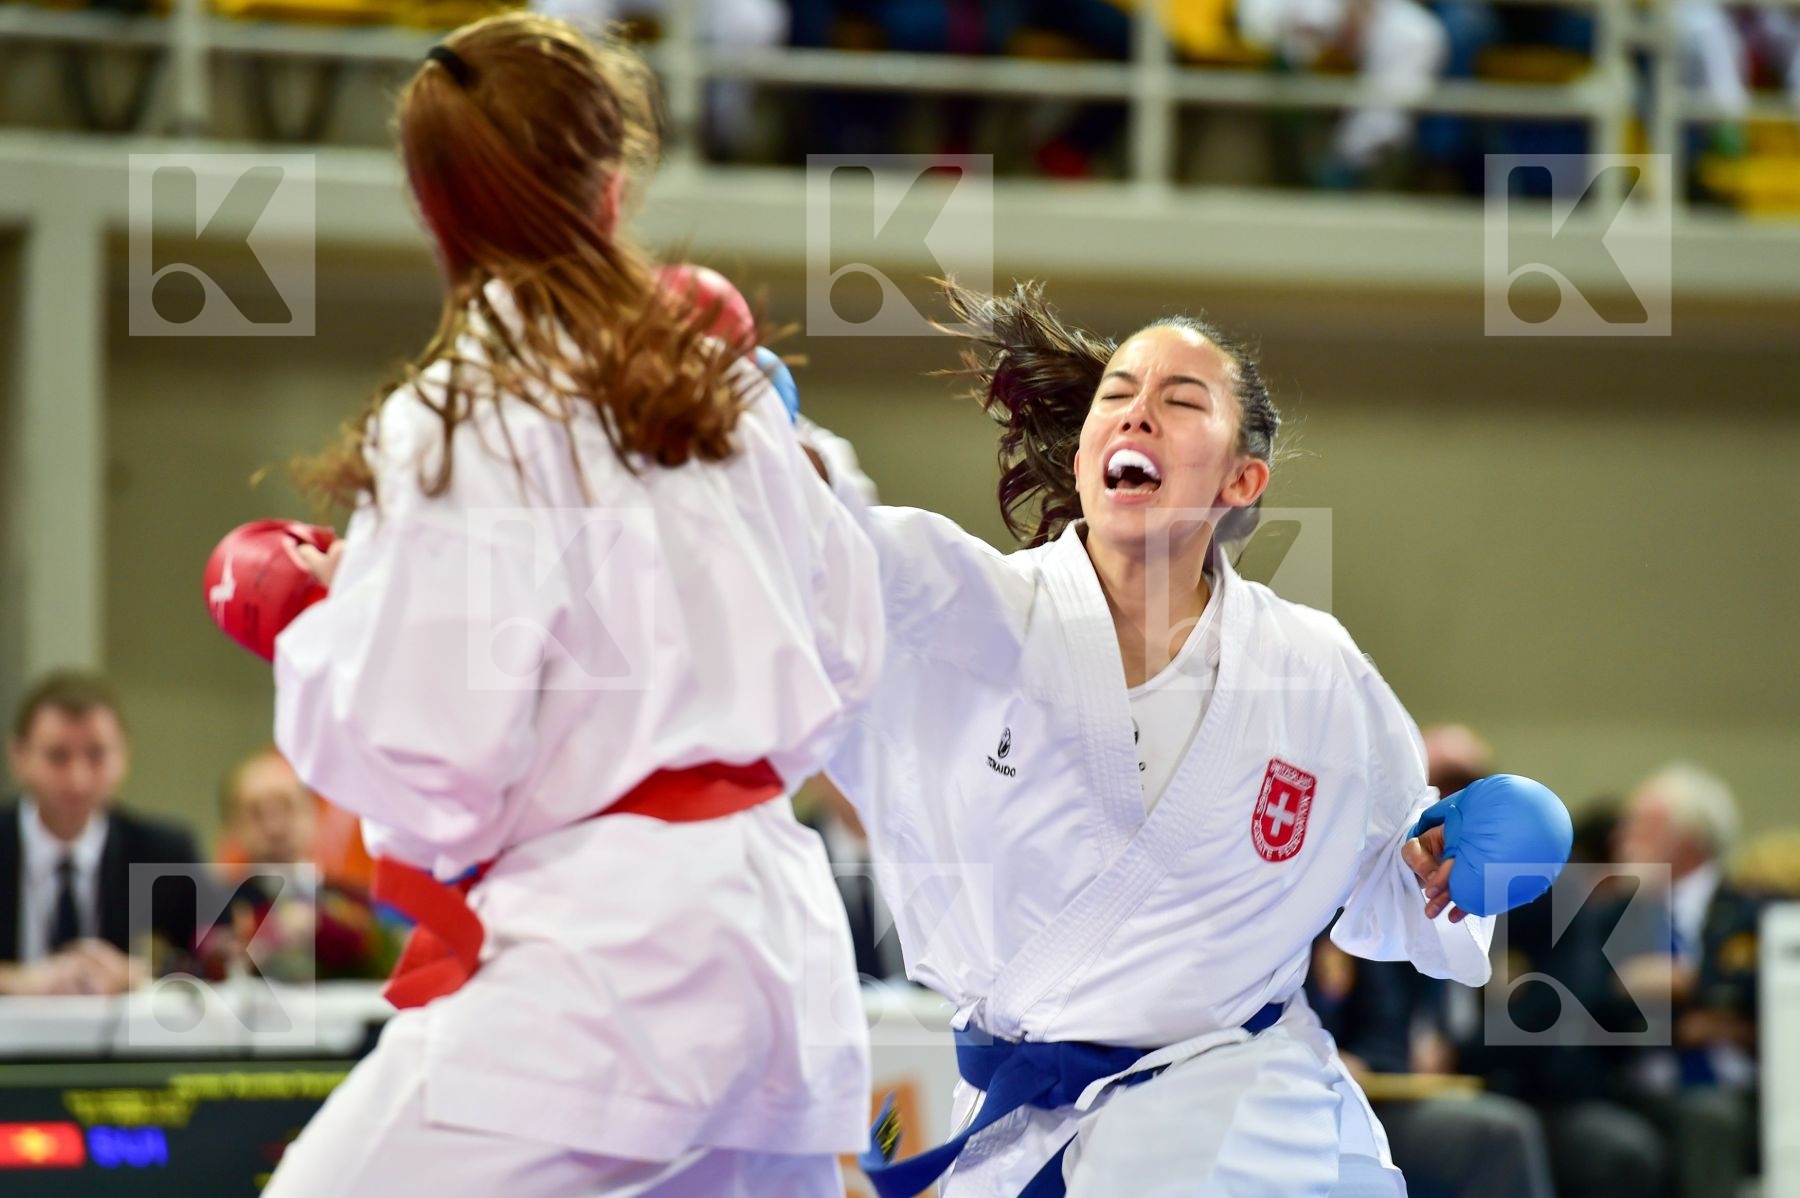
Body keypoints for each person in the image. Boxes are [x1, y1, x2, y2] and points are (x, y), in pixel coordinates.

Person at [248, 14, 884, 1197]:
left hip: (612, 961)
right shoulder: (720, 385)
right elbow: (849, 650)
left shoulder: (470, 411)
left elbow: (437, 755)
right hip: (782, 945)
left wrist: (316, 631)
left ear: (435, 212)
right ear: (611, 186)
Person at [804, 280, 1572, 1197]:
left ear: (1241, 481)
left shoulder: (1310, 671)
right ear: (1085, 455)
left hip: (1247, 1126)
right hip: (1031, 1125)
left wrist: (1454, 857)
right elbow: (825, 552)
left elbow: (1389, 871)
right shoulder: (972, 611)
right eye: (1117, 395)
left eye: (1179, 401)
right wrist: (767, 452)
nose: (1137, 414)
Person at [0, 670, 201, 995]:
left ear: (124, 756)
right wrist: (12, 980)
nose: (78, 779)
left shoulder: (164, 853)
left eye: (96, 755)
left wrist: (140, 975)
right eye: (57, 756)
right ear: (19, 757)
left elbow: (211, 964)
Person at [200, 747, 394, 983]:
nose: (274, 826)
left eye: (287, 807)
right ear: (232, 827)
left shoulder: (355, 902)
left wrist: (322, 929)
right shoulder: (216, 907)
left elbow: (386, 960)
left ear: (313, 813)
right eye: (256, 813)